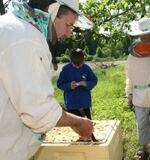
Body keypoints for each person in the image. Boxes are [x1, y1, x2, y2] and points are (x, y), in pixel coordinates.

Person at [0, 0, 94, 159]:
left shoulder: (11, 27)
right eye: (68, 25)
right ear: (53, 10)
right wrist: (78, 122)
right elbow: (38, 111)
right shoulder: (26, 36)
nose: (69, 33)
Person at [126, 17, 150, 160]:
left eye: (148, 33)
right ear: (139, 35)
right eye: (143, 34)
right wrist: (129, 93)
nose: (146, 36)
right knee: (141, 123)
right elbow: (129, 75)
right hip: (139, 95)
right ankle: (142, 148)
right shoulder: (132, 55)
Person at [57, 48, 98, 120]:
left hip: (85, 104)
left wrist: (86, 84)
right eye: (75, 65)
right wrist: (69, 86)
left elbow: (94, 80)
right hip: (71, 105)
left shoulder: (86, 68)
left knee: (87, 125)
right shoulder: (66, 69)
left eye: (80, 64)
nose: (78, 66)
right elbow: (59, 84)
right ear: (71, 61)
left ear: (83, 61)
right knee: (73, 127)